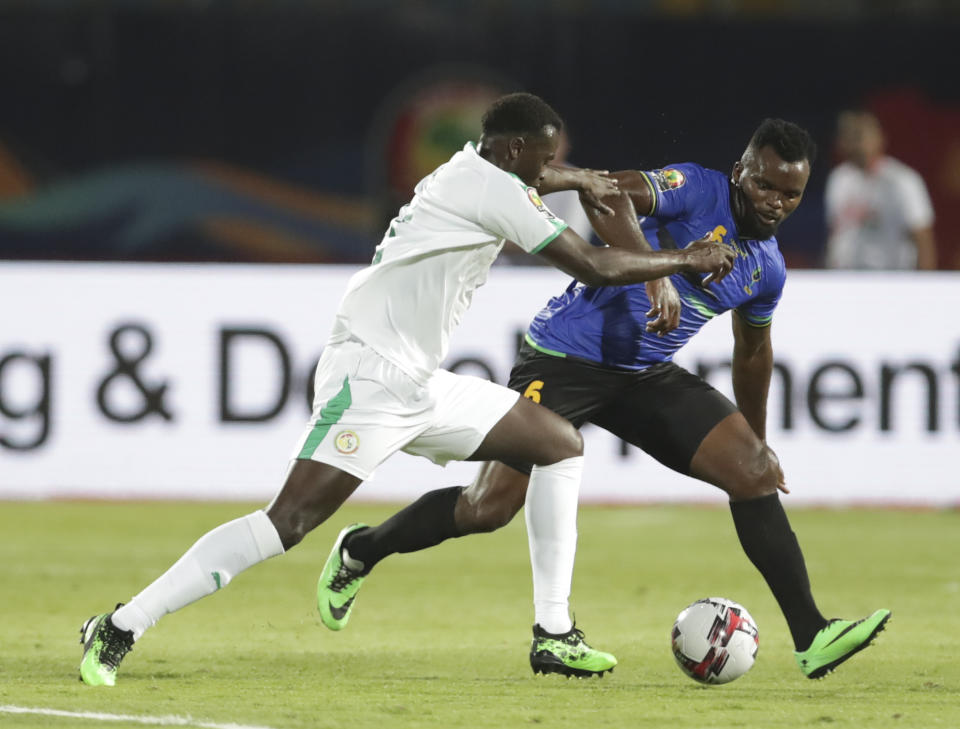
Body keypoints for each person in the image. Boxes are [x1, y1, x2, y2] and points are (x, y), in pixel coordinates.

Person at [78, 92, 736, 687]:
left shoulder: (473, 167)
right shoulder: (496, 190)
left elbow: (540, 178)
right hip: (367, 375)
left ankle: (554, 633)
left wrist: (577, 175)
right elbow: (592, 263)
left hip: (416, 379)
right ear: (511, 151)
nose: (549, 170)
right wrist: (685, 260)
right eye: (543, 158)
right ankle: (121, 624)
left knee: (558, 443)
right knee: (288, 522)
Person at [317, 118, 891, 681]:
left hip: (642, 374)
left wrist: (758, 436)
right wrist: (655, 275)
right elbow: (606, 194)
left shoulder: (767, 269)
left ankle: (813, 635)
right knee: (487, 508)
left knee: (754, 472)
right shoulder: (696, 188)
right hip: (564, 357)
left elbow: (753, 352)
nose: (774, 202)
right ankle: (362, 549)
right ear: (740, 171)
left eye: (790, 194)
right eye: (764, 184)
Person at [824, 110, 936, 270]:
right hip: (845, 278)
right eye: (848, 136)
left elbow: (923, 240)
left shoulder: (902, 180)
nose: (854, 143)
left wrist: (924, 288)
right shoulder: (839, 178)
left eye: (859, 135)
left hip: (889, 280)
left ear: (880, 138)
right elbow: (834, 236)